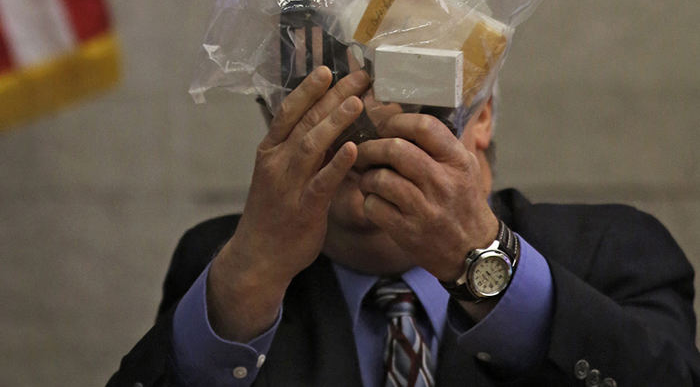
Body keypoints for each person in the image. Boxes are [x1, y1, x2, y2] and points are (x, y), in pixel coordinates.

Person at [108, 66, 700, 386]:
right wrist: (247, 281)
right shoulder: (229, 265)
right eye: (336, 108)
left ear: (484, 114)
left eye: (417, 104)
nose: (375, 140)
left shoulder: (614, 252)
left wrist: (484, 264)